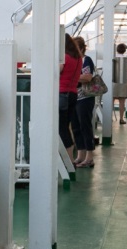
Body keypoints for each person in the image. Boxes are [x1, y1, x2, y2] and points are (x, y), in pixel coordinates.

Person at [71, 36, 96, 168]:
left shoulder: (86, 60)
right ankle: (80, 154)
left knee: (85, 125)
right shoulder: (73, 61)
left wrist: (73, 76)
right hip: (74, 97)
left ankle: (89, 156)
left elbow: (87, 77)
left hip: (85, 97)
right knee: (76, 126)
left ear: (81, 48)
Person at [59, 33, 83, 162]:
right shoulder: (79, 59)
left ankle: (69, 159)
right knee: (66, 126)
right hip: (73, 94)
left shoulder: (65, 58)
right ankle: (69, 157)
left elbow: (55, 71)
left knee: (61, 127)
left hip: (62, 94)